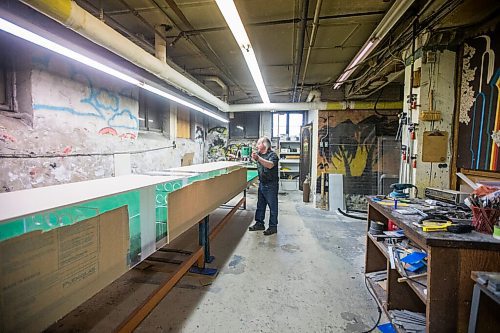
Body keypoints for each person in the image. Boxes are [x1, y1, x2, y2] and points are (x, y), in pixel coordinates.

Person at [248, 136, 279, 235]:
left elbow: (270, 165)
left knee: (272, 207)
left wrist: (258, 159)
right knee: (260, 205)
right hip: (262, 183)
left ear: (264, 145)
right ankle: (259, 223)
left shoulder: (273, 155)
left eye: (258, 143)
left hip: (271, 185)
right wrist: (255, 158)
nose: (257, 145)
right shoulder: (259, 154)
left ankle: (273, 227)